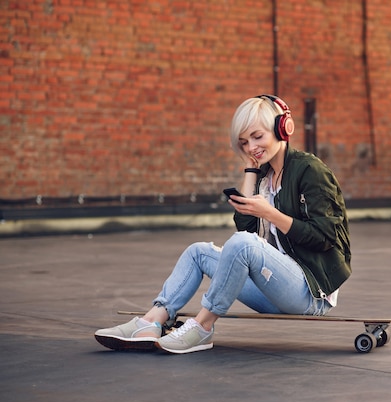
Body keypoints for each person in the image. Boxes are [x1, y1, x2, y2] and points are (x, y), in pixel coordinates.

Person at [95, 94, 351, 354]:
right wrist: (251, 171)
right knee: (198, 252)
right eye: (244, 142)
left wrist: (271, 213)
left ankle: (203, 328)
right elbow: (247, 231)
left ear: (282, 128)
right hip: (274, 288)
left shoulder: (310, 170)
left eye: (257, 136)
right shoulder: (265, 176)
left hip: (310, 292)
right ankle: (150, 322)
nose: (251, 147)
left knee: (242, 244)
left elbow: (325, 236)